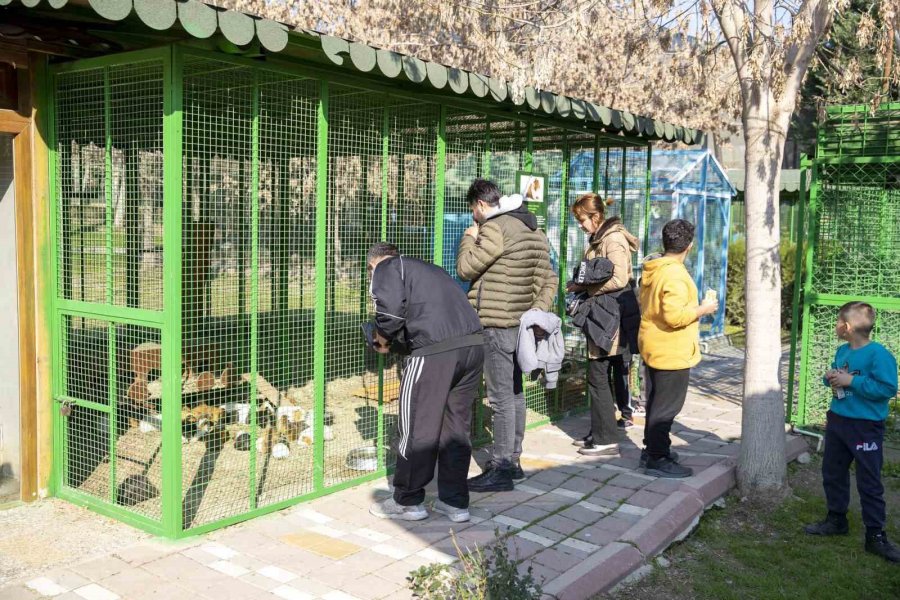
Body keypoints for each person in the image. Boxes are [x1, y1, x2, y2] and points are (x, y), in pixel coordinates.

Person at [365, 243, 484, 522]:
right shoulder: (430, 270)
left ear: (373, 265)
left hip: (434, 352)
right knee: (456, 427)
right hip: (473, 347)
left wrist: (381, 338)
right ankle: (455, 503)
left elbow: (391, 314)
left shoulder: (387, 267)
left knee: (416, 424)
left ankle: (407, 501)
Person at [457, 179, 557, 492]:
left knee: (500, 399)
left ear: (481, 205)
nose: (474, 217)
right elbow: (549, 280)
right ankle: (512, 461)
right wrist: (535, 314)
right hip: (521, 326)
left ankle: (500, 467)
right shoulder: (533, 229)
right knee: (514, 394)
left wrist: (468, 238)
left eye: (474, 211)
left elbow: (465, 268)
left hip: (496, 325)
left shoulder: (493, 227)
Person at [804, 302, 900, 562]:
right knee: (832, 472)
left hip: (865, 427)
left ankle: (876, 536)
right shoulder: (843, 351)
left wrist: (852, 381)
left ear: (846, 327)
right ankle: (836, 520)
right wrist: (831, 377)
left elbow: (887, 389)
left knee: (869, 481)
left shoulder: (879, 355)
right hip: (838, 422)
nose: (835, 325)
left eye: (837, 321)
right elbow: (837, 379)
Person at [637, 219, 718, 478]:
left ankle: (653, 450)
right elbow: (673, 316)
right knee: (666, 408)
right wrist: (704, 309)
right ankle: (657, 458)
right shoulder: (673, 273)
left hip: (653, 343)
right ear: (689, 246)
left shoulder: (656, 267)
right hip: (670, 350)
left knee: (656, 402)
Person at [566, 194, 640, 456]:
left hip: (611, 316)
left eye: (582, 219)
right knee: (599, 376)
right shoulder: (601, 237)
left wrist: (586, 289)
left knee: (598, 376)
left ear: (595, 217)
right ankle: (600, 431)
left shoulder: (612, 239)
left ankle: (606, 439)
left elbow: (619, 278)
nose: (580, 225)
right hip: (604, 316)